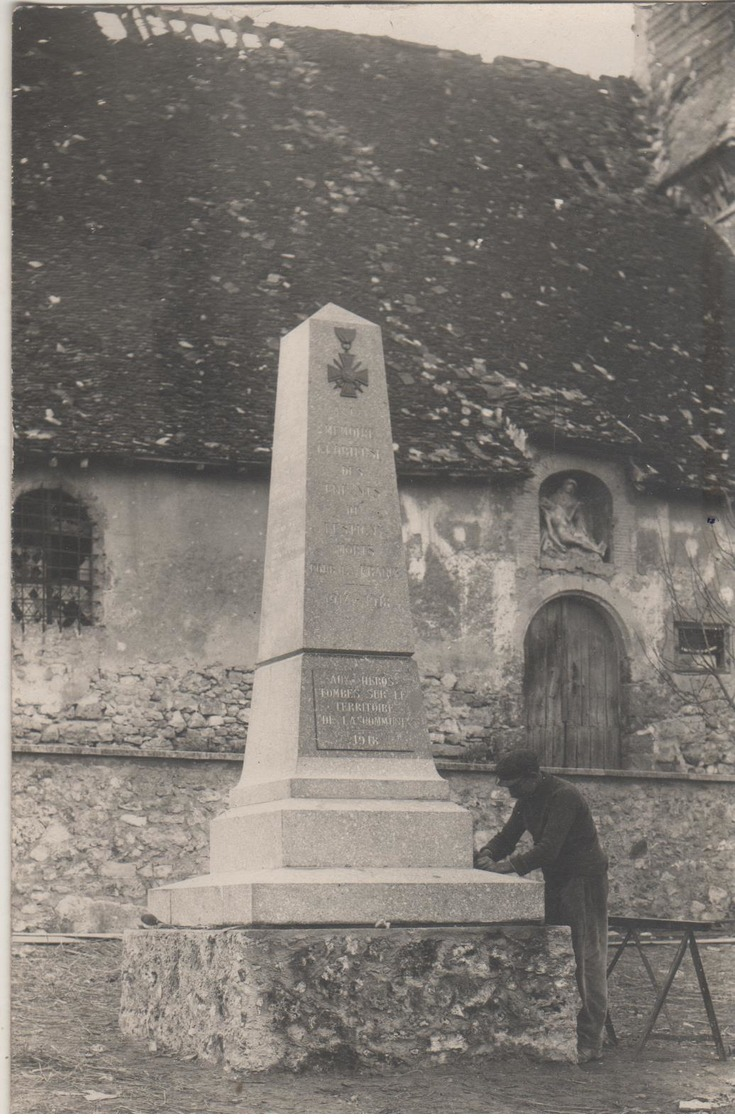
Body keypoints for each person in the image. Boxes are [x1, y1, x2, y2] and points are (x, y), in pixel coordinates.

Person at [475, 748, 609, 1063]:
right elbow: (507, 837)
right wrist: (487, 853)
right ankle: (572, 1030)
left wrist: (506, 867)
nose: (510, 794)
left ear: (533, 777)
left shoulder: (565, 796)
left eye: (514, 787)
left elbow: (547, 849)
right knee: (562, 955)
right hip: (558, 881)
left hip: (584, 880)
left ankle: (591, 1042)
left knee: (587, 957)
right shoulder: (528, 798)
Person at [540, 478, 606, 558]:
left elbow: (568, 519)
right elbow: (550, 531)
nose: (548, 503)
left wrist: (575, 507)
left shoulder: (559, 508)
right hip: (561, 534)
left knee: (581, 540)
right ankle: (597, 550)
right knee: (579, 542)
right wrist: (559, 544)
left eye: (572, 487)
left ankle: (597, 550)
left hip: (567, 529)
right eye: (568, 485)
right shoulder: (550, 511)